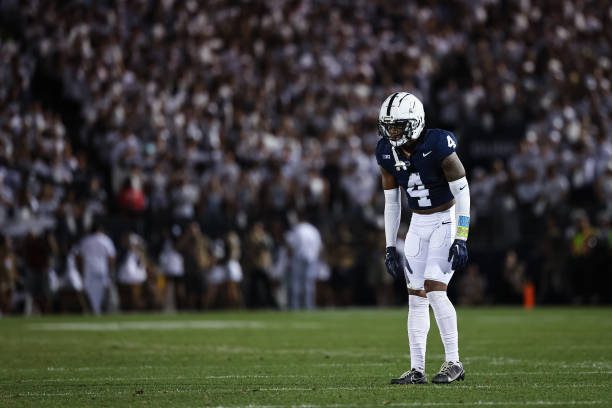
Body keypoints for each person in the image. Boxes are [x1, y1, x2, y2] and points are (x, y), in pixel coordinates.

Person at [376, 92, 470, 384]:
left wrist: (462, 235)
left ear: (414, 122)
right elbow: (392, 202)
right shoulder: (385, 151)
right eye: (388, 125)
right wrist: (390, 245)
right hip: (417, 223)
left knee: (434, 289)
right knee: (415, 296)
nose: (392, 132)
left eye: (398, 125)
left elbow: (462, 191)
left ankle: (453, 363)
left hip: (445, 219)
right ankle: (417, 369)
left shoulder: (438, 143)